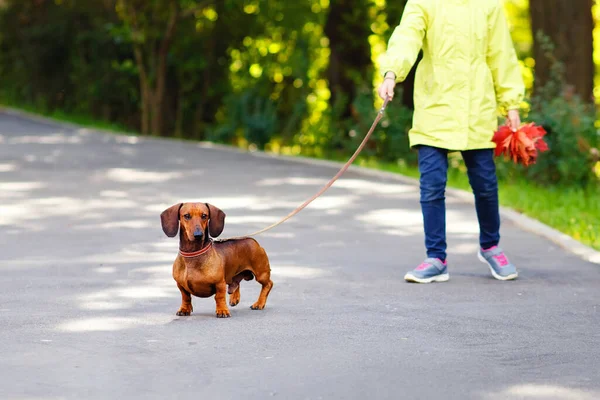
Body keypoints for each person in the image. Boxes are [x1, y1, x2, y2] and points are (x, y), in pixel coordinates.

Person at [377, 0, 525, 283]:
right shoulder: (423, 2)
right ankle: (436, 258)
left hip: (476, 109)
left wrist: (512, 103)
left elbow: (501, 55)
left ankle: (491, 246)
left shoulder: (488, 6)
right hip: (435, 107)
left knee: (485, 185)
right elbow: (406, 36)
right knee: (431, 186)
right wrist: (392, 73)